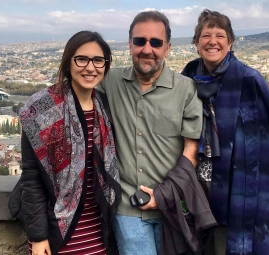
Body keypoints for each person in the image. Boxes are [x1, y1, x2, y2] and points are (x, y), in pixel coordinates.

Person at [181, 9, 269, 255]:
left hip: (239, 183)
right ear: (196, 43)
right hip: (198, 184)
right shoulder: (186, 79)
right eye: (206, 35)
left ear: (230, 42)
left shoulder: (249, 79)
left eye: (220, 35)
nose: (213, 41)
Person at [98, 11, 203, 255]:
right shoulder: (109, 81)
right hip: (127, 208)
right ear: (130, 45)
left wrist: (164, 194)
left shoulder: (185, 89)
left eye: (156, 42)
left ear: (167, 48)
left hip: (174, 206)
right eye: (140, 41)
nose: (147, 49)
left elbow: (192, 149)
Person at [18, 31, 121, 255]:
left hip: (98, 230)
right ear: (68, 62)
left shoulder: (104, 106)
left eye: (98, 60)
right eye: (82, 59)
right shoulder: (41, 109)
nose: (90, 68)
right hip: (57, 232)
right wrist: (38, 236)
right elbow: (31, 177)